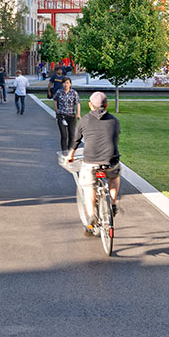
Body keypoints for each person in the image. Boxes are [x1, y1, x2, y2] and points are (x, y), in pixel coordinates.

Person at [66, 91, 121, 231]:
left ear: (90, 105)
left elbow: (76, 141)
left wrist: (70, 156)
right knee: (114, 177)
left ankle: (91, 216)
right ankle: (113, 203)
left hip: (91, 161)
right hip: (111, 160)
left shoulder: (84, 120)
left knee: (89, 187)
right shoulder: (114, 121)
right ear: (107, 105)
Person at [53, 77, 81, 152]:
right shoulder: (59, 92)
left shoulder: (74, 93)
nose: (66, 85)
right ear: (62, 84)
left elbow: (77, 103)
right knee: (64, 135)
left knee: (72, 135)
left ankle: (69, 150)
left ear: (70, 84)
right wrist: (56, 110)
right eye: (64, 83)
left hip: (71, 116)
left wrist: (78, 114)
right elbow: (55, 100)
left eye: (67, 83)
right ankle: (64, 151)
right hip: (61, 116)